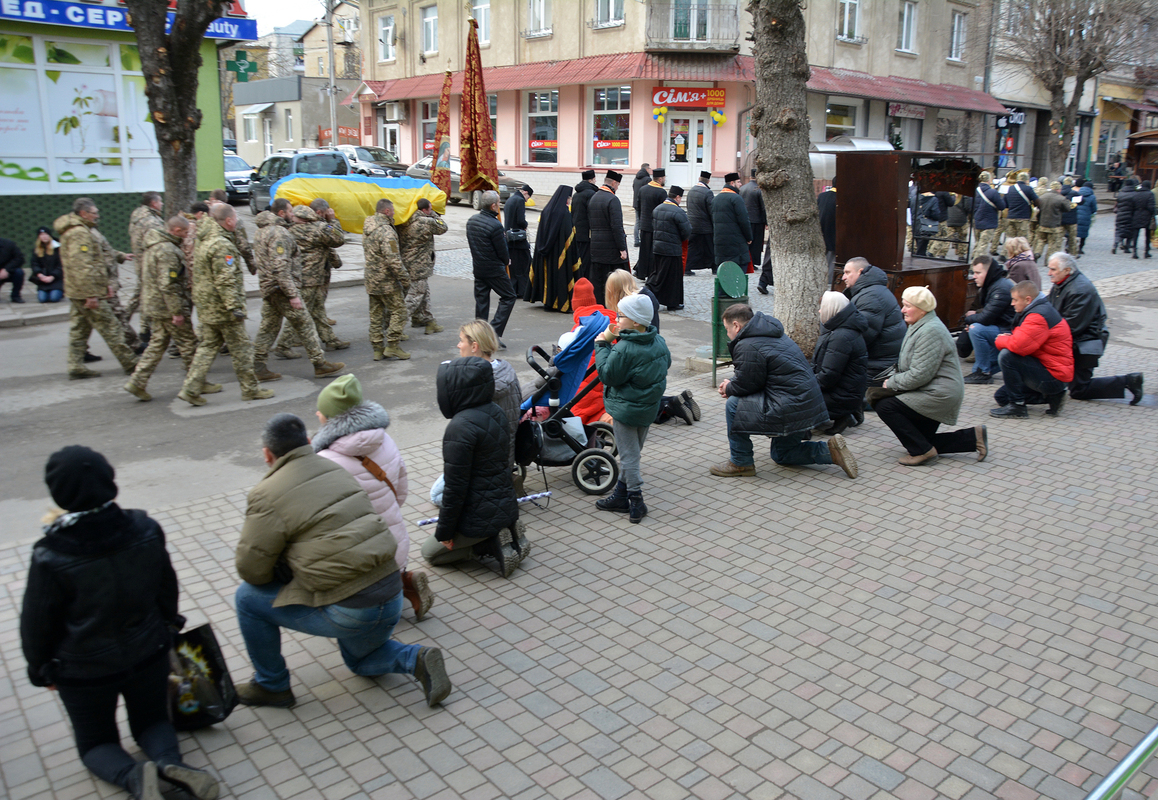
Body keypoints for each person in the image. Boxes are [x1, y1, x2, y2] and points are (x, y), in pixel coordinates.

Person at [21, 445, 219, 800]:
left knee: (96, 742)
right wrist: (168, 627)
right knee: (154, 721)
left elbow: (36, 623)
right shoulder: (145, 527)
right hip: (148, 651)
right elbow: (166, 586)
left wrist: (41, 670)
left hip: (84, 671)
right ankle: (169, 764)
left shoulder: (50, 554)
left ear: (58, 492)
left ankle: (133, 777)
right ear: (109, 480)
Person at [235, 414, 451, 709]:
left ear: (267, 455)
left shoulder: (266, 493)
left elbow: (251, 570)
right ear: (309, 443)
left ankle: (272, 686)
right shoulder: (334, 467)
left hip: (353, 608)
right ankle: (415, 658)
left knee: (247, 598)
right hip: (390, 592)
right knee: (360, 661)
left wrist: (288, 569)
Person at [313, 374, 435, 621]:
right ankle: (404, 582)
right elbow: (400, 487)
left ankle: (385, 602)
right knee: (387, 572)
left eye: (321, 410)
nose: (317, 414)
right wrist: (388, 509)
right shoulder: (383, 438)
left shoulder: (325, 460)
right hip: (394, 544)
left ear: (333, 417)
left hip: (360, 556)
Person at [710, 303, 857, 479]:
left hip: (789, 404)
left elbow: (748, 384)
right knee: (782, 454)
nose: (727, 334)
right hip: (805, 402)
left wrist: (729, 387)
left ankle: (741, 463)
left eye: (727, 329)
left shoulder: (747, 344)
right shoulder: (771, 333)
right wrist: (734, 384)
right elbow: (758, 376)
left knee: (734, 405)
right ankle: (830, 451)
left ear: (736, 325)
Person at [420, 357, 526, 577]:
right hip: (506, 507)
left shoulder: (459, 427)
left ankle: (487, 546)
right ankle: (507, 531)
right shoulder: (496, 412)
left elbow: (455, 488)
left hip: (477, 518)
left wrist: (445, 532)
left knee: (429, 553)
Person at [875, 286, 987, 466]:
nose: (902, 310)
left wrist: (892, 382)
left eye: (907, 306)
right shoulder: (920, 324)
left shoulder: (930, 330)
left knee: (885, 406)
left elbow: (919, 375)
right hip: (932, 389)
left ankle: (923, 453)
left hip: (939, 394)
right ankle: (974, 437)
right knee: (921, 438)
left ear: (922, 308)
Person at [178, 204, 274, 407]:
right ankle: (251, 389)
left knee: (208, 346)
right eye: (236, 217)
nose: (238, 220)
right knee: (241, 349)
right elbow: (225, 279)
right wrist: (234, 307)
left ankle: (190, 388)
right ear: (228, 220)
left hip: (207, 305)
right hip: (223, 308)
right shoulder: (222, 245)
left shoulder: (204, 238)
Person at [593, 292, 671, 523]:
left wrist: (601, 345)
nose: (616, 319)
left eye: (621, 315)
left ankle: (635, 501)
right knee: (633, 453)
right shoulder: (658, 341)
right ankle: (620, 494)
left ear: (635, 321)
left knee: (629, 457)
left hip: (626, 409)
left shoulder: (624, 348)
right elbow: (665, 364)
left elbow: (607, 374)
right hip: (648, 407)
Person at [251, 199, 345, 378]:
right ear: (281, 214)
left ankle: (258, 366)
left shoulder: (261, 232)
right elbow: (280, 266)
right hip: (283, 287)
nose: (292, 215)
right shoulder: (280, 233)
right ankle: (319, 363)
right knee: (304, 323)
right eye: (289, 211)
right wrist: (292, 294)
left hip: (269, 287)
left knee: (269, 326)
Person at [124, 216, 205, 402]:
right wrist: (176, 311)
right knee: (189, 344)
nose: (187, 237)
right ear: (176, 231)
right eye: (185, 233)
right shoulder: (168, 250)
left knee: (157, 344)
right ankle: (195, 385)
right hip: (167, 306)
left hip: (155, 304)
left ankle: (137, 381)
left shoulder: (153, 245)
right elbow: (168, 284)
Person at [55, 198, 139, 379]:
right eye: (94, 212)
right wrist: (92, 294)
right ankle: (131, 364)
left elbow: (100, 254)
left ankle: (75, 365)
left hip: (76, 290)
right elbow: (84, 266)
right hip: (86, 292)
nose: (97, 215)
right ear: (83, 214)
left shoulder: (77, 230)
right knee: (111, 327)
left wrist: (119, 258)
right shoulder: (80, 234)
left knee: (79, 329)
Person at [1047, 253, 1145, 403]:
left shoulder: (1080, 289)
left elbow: (1072, 326)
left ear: (1067, 270)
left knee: (1080, 389)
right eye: (1049, 269)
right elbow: (1050, 309)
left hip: (1086, 342)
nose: (1049, 273)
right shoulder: (1062, 283)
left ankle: (1129, 381)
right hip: (1078, 339)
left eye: (1053, 269)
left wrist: (1044, 336)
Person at [990, 280, 1074, 417]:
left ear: (1028, 300)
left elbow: (1019, 346)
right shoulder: (1038, 309)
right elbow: (1025, 340)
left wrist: (1001, 340)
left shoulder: (1038, 316)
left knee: (1006, 356)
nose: (1012, 303)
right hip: (1051, 371)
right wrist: (1011, 338)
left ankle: (1017, 407)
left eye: (1015, 300)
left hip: (1054, 375)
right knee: (1001, 397)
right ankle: (1053, 396)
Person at [277, 205, 349, 353]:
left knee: (318, 310)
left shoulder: (290, 230)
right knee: (301, 313)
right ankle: (283, 345)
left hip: (301, 277)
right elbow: (338, 239)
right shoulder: (319, 228)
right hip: (313, 277)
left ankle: (330, 339)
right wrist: (332, 221)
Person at [363, 198, 413, 360]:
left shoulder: (368, 226)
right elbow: (393, 260)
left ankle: (377, 349)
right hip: (386, 281)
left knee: (376, 315)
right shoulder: (387, 231)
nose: (394, 213)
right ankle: (392, 345)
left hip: (371, 278)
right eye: (393, 211)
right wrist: (405, 279)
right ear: (387, 211)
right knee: (400, 311)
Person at [813, 292, 868, 436]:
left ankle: (844, 414)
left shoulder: (841, 336)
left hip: (843, 395)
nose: (819, 311)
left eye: (822, 307)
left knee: (798, 399)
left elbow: (828, 375)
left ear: (832, 309)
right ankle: (847, 413)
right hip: (846, 391)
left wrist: (805, 385)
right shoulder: (839, 329)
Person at [841, 257, 905, 379]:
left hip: (878, 366)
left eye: (847, 272)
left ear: (860, 272)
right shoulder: (870, 291)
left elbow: (862, 335)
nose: (843, 277)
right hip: (879, 360)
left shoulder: (871, 296)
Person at [467, 190, 517, 339]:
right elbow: (502, 250)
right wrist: (506, 260)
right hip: (494, 269)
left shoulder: (472, 221)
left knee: (482, 302)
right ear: (494, 205)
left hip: (479, 268)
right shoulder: (495, 225)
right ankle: (493, 332)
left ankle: (478, 334)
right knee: (509, 296)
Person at [960, 255, 1014, 384]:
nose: (974, 276)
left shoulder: (1000, 288)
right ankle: (986, 369)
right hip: (1001, 327)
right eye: (974, 272)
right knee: (973, 330)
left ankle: (983, 372)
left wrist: (969, 320)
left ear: (989, 272)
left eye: (978, 273)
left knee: (976, 329)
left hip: (1008, 330)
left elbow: (986, 318)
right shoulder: (992, 284)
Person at [398, 197, 448, 333]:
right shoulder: (425, 221)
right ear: (425, 210)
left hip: (407, 262)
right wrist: (434, 214)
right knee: (415, 295)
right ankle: (396, 326)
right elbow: (443, 227)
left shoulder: (406, 219)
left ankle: (425, 319)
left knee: (424, 291)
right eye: (430, 209)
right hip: (419, 265)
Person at [528, 185, 580, 311]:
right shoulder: (564, 213)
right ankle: (559, 302)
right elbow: (569, 236)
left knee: (547, 276)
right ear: (566, 199)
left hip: (545, 252)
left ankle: (547, 300)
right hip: (559, 252)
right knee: (559, 277)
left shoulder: (546, 210)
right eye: (569, 198)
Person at [587, 170, 629, 306]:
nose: (617, 188)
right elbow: (616, 227)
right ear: (614, 183)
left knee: (599, 281)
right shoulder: (613, 200)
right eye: (618, 185)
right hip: (611, 249)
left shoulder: (594, 197)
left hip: (596, 246)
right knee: (615, 281)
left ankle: (599, 306)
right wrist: (622, 248)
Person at [647, 186, 691, 311]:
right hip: (672, 249)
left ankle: (653, 295)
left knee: (658, 274)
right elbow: (686, 232)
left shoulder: (657, 209)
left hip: (658, 248)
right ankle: (672, 302)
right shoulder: (678, 212)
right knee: (673, 278)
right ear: (677, 197)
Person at [126, 192, 165, 322]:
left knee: (141, 291)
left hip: (140, 258)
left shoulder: (137, 215)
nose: (162, 204)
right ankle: (144, 328)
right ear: (153, 203)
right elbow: (158, 242)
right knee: (146, 293)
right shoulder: (152, 221)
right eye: (160, 201)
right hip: (149, 261)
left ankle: (124, 318)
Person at [712, 172, 753, 272]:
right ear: (732, 183)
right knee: (738, 273)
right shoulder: (736, 198)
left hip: (720, 242)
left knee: (724, 274)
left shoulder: (716, 199)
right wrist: (749, 237)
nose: (741, 184)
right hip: (736, 243)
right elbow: (744, 220)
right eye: (738, 182)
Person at [636, 168, 667, 280]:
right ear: (660, 179)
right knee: (653, 251)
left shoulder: (643, 189)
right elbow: (663, 210)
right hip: (655, 226)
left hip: (644, 224)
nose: (664, 180)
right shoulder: (661, 192)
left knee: (644, 250)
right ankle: (652, 273)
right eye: (664, 178)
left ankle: (641, 273)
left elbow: (638, 207)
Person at [504, 184, 533, 298]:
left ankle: (513, 289)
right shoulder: (520, 200)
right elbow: (520, 220)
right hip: (518, 239)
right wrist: (525, 225)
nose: (527, 200)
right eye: (528, 197)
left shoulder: (511, 199)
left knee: (514, 266)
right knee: (524, 264)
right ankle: (522, 290)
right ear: (525, 192)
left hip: (510, 238)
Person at [686, 170, 714, 275]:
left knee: (692, 248)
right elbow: (711, 210)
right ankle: (714, 267)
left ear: (699, 179)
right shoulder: (708, 192)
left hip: (692, 225)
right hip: (705, 226)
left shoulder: (692, 190)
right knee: (710, 248)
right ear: (708, 181)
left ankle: (687, 267)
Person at [1034, 181, 1070, 262]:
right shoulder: (1061, 198)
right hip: (1054, 225)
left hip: (1042, 223)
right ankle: (1048, 260)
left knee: (1041, 240)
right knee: (1052, 244)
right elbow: (1068, 208)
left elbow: (1038, 207)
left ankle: (1037, 252)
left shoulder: (1042, 197)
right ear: (1059, 189)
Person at [571, 169, 598, 278]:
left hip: (577, 230)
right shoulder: (591, 194)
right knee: (586, 259)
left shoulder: (577, 194)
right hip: (587, 232)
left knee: (579, 256)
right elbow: (592, 214)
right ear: (592, 180)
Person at [973, 171, 1006, 256]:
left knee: (978, 242)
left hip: (977, 219)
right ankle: (976, 265)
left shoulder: (974, 191)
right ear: (989, 180)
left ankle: (973, 257)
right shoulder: (993, 192)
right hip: (988, 221)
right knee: (983, 245)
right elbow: (1002, 206)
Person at [740, 169, 767, 275]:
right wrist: (766, 222)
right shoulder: (758, 189)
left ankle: (746, 260)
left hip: (745, 219)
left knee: (746, 242)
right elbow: (763, 207)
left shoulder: (742, 188)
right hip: (757, 220)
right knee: (756, 243)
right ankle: (754, 262)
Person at [30, 227, 64, 303]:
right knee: (42, 299)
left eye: (46, 234)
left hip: (56, 279)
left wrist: (52, 276)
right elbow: (34, 264)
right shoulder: (37, 250)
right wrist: (40, 274)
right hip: (43, 279)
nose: (44, 236)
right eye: (41, 235)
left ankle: (60, 291)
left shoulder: (57, 248)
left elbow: (61, 265)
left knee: (54, 298)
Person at [813, 181, 837, 288]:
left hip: (820, 232)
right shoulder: (839, 198)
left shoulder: (822, 196)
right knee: (831, 261)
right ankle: (828, 283)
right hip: (833, 233)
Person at [1004, 169, 1037, 243]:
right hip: (1023, 218)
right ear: (1026, 180)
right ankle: (1021, 253)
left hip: (1010, 216)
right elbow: (1037, 201)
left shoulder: (1010, 188)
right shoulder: (1028, 189)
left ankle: (1005, 253)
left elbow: (1005, 204)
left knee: (1010, 238)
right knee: (1022, 239)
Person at [1129, 180, 1156, 259]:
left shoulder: (1136, 194)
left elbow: (1131, 206)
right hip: (1147, 216)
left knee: (1135, 235)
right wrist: (1153, 214)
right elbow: (1151, 207)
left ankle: (1134, 252)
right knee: (1147, 235)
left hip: (1136, 215)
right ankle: (1146, 251)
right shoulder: (1150, 194)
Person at [942, 193, 972, 260]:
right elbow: (968, 207)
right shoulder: (965, 194)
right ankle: (961, 255)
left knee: (947, 237)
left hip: (949, 218)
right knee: (962, 237)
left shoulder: (949, 193)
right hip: (961, 219)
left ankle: (942, 253)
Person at [1113, 178, 1139, 254]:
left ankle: (1115, 244)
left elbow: (1117, 204)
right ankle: (1127, 247)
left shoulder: (1121, 193)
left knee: (1118, 230)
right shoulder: (1135, 194)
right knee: (1129, 231)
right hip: (1130, 215)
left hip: (1120, 214)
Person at [1074, 177, 1097, 256]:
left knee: (1074, 232)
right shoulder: (1092, 197)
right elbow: (1094, 209)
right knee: (1083, 233)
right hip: (1086, 217)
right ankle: (1080, 248)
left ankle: (1071, 246)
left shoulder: (1077, 193)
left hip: (1076, 215)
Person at [0, 236, 26, 303]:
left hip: (9, 272)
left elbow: (20, 258)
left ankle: (15, 296)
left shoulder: (9, 244)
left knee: (19, 272)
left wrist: (6, 269)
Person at [631, 163, 651, 248]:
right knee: (644, 222)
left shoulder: (636, 178)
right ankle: (643, 240)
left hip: (636, 202)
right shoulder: (647, 179)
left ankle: (636, 240)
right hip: (644, 203)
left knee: (637, 221)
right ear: (647, 169)